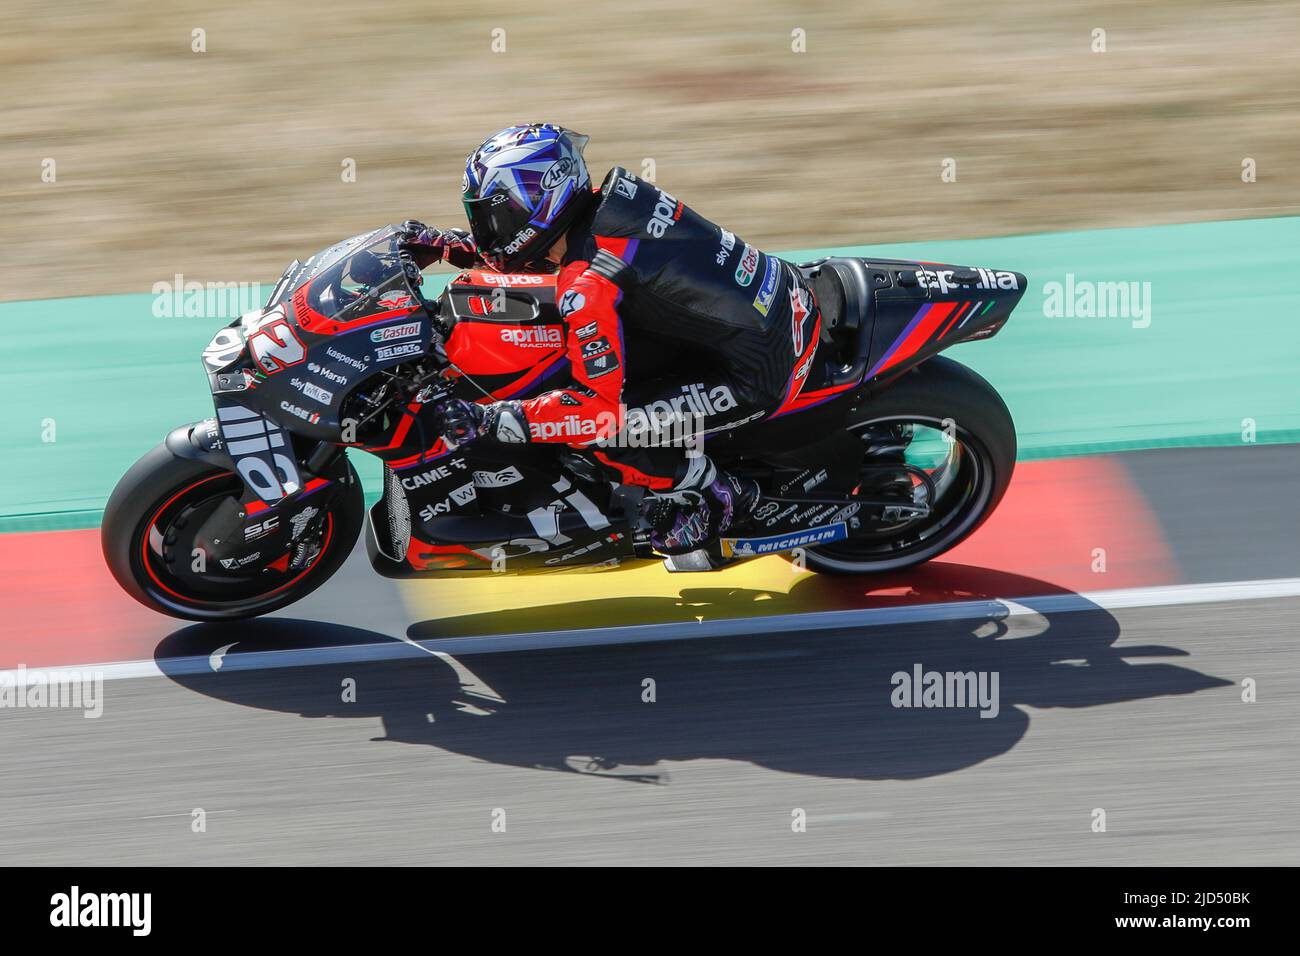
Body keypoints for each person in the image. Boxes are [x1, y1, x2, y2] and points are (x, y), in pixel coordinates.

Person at [402, 123, 822, 555]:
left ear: (539, 200)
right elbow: (536, 254)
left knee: (594, 432)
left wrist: (490, 419)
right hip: (771, 306)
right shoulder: (610, 201)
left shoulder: (588, 285)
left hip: (756, 372)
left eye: (496, 215)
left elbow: (596, 413)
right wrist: (449, 246)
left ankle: (719, 494)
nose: (488, 229)